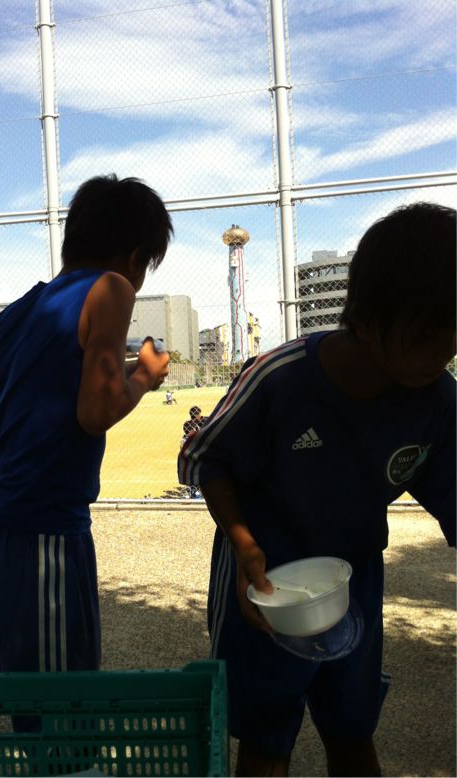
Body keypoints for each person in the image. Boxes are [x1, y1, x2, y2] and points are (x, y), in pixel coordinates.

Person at [178, 202, 456, 777]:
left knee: (353, 730)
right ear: (369, 319)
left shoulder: (437, 400)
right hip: (264, 577)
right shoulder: (280, 378)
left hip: (353, 577)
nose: (446, 351)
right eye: (430, 336)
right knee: (265, 739)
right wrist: (243, 544)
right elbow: (206, 458)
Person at [0, 175, 172, 685]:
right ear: (135, 257)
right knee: (63, 709)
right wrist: (146, 375)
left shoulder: (14, 315)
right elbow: (95, 412)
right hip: (43, 535)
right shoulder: (112, 288)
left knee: (25, 694)